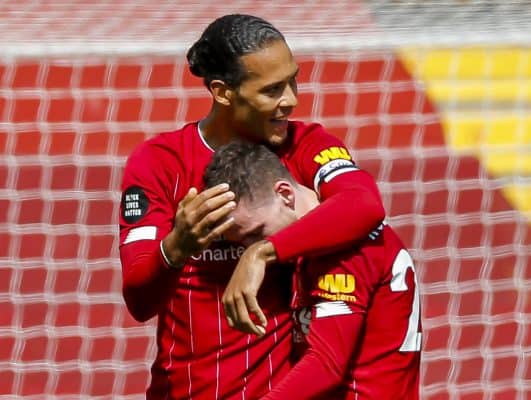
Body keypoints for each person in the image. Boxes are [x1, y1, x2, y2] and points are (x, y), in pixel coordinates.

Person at [118, 14, 386, 399]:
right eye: (272, 90)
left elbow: (364, 204)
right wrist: (177, 248)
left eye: (293, 80)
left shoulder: (306, 144)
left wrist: (262, 252)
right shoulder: (159, 162)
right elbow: (139, 302)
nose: (290, 100)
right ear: (223, 92)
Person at [203, 141, 422, 400]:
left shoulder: (341, 252)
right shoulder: (318, 243)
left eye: (256, 234)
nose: (250, 249)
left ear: (285, 194)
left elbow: (326, 364)